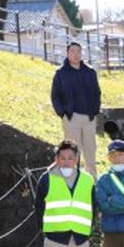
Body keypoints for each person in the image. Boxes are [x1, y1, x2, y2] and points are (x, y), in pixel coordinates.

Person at [34, 140, 95, 247]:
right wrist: (47, 231)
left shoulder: (87, 180)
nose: (66, 161)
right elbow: (39, 208)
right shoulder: (46, 179)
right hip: (55, 239)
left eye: (70, 158)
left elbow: (94, 207)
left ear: (76, 159)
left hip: (80, 239)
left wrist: (87, 230)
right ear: (56, 159)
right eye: (62, 158)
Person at [51, 42, 101, 178]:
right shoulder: (61, 73)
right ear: (67, 53)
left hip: (89, 118)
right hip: (71, 118)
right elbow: (55, 96)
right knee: (72, 153)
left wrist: (95, 110)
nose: (76, 54)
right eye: (72, 51)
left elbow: (97, 93)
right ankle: (73, 181)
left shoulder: (90, 72)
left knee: (91, 151)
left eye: (78, 51)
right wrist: (63, 114)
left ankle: (93, 182)